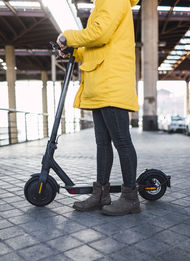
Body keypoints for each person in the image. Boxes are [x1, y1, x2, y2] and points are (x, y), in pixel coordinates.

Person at [57, 0, 141, 216]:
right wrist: (73, 52)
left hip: (111, 84)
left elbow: (100, 34)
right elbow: (96, 47)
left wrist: (69, 35)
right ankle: (101, 193)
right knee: (102, 144)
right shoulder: (101, 4)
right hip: (100, 84)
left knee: (122, 142)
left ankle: (131, 198)